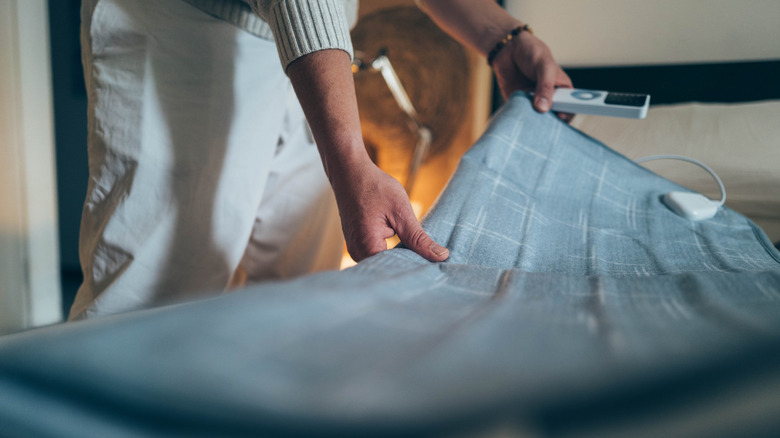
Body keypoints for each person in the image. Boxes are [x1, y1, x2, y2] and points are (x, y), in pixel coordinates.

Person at [69, 0, 572, 320]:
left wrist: (504, 39)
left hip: (309, 47)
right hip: (183, 25)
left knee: (300, 299)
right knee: (154, 302)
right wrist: (349, 158)